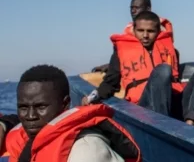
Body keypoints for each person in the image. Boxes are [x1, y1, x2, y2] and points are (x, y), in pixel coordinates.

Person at [83, 11, 194, 127]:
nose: (145, 35)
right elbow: (110, 83)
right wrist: (92, 97)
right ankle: (164, 126)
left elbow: (177, 78)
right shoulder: (121, 52)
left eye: (150, 31)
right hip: (145, 107)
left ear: (158, 31)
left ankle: (190, 125)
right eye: (141, 31)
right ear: (134, 30)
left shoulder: (171, 50)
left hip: (172, 103)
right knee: (163, 69)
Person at [0, 65, 140, 162]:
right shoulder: (23, 140)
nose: (30, 116)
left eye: (41, 107)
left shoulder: (86, 151)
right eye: (23, 108)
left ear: (65, 104)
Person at [92, 0, 174, 73]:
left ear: (148, 9)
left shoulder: (158, 28)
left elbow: (148, 54)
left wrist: (112, 66)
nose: (133, 11)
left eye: (137, 8)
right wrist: (113, 65)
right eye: (131, 8)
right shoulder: (131, 28)